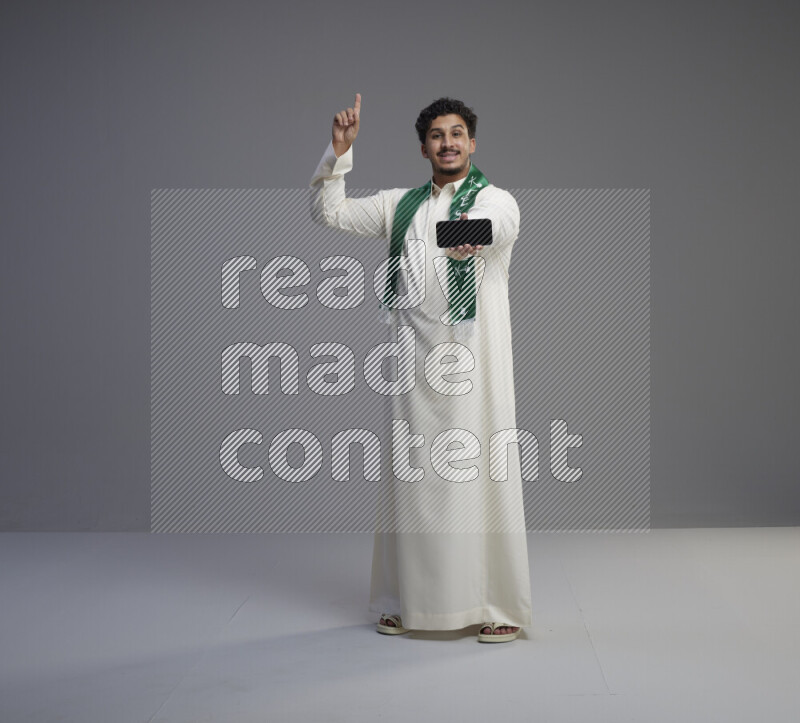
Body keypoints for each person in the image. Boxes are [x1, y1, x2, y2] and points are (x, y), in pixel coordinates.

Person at [309, 94, 532, 643]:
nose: (448, 143)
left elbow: (492, 228)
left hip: (475, 365)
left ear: (472, 143)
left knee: (482, 477)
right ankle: (408, 601)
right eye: (437, 135)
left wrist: (461, 235)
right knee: (414, 483)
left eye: (457, 134)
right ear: (424, 147)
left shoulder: (497, 199)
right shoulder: (398, 204)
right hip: (412, 365)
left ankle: (496, 605)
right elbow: (327, 213)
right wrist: (339, 154)